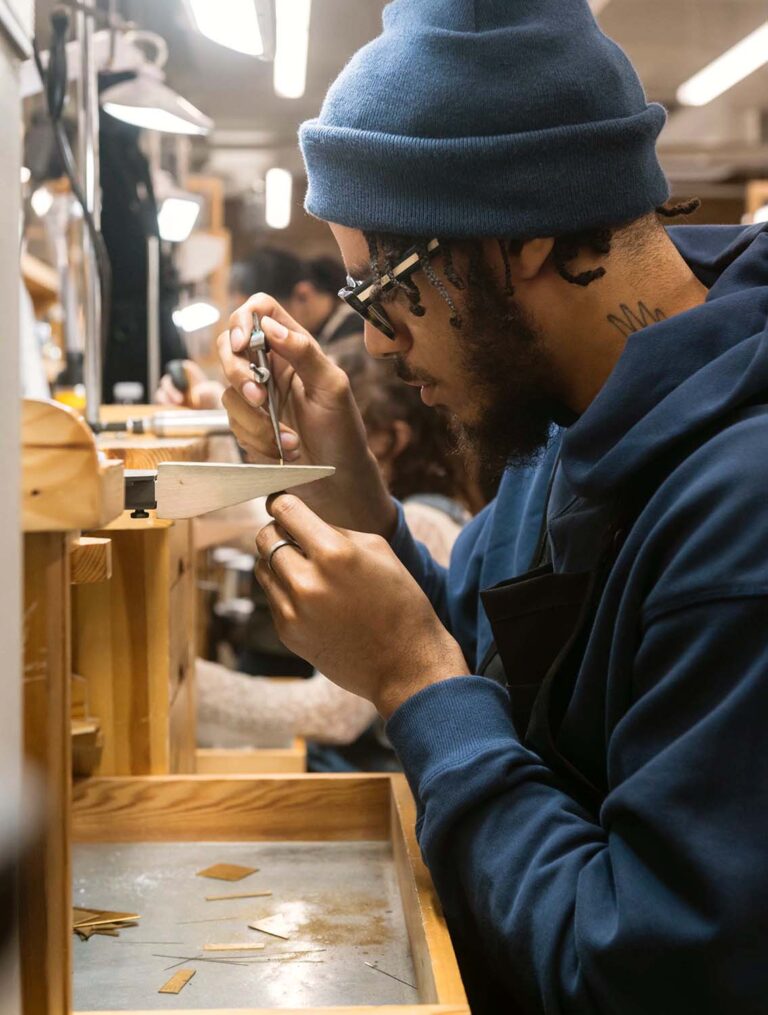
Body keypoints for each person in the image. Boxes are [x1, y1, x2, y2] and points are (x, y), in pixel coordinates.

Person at [216, 1, 768, 1012]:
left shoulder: (744, 518)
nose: (374, 345)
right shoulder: (563, 420)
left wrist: (408, 676)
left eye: (385, 286)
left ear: (519, 240)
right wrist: (360, 504)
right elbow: (498, 677)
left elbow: (643, 971)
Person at [197, 336, 474, 770]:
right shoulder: (414, 514)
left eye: (326, 428)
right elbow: (254, 523)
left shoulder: (425, 526)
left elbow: (332, 714)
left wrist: (184, 686)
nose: (300, 440)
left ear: (388, 440)